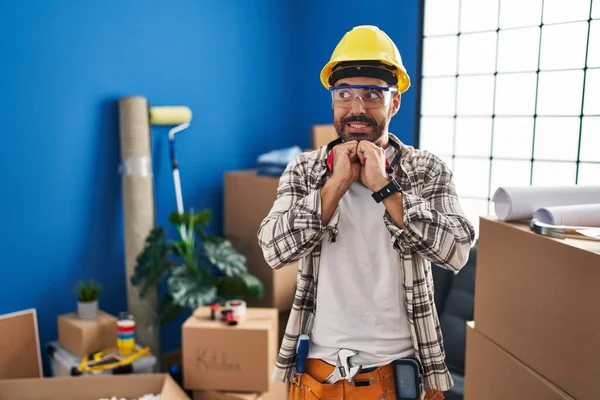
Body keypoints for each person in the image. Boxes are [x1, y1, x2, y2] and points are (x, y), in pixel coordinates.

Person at [257, 25, 475, 400]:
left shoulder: (426, 170)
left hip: (399, 376)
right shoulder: (305, 169)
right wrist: (335, 185)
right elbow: (273, 250)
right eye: (344, 94)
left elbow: (455, 249)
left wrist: (386, 187)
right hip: (316, 378)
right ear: (333, 101)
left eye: (372, 94)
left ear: (394, 103)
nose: (357, 108)